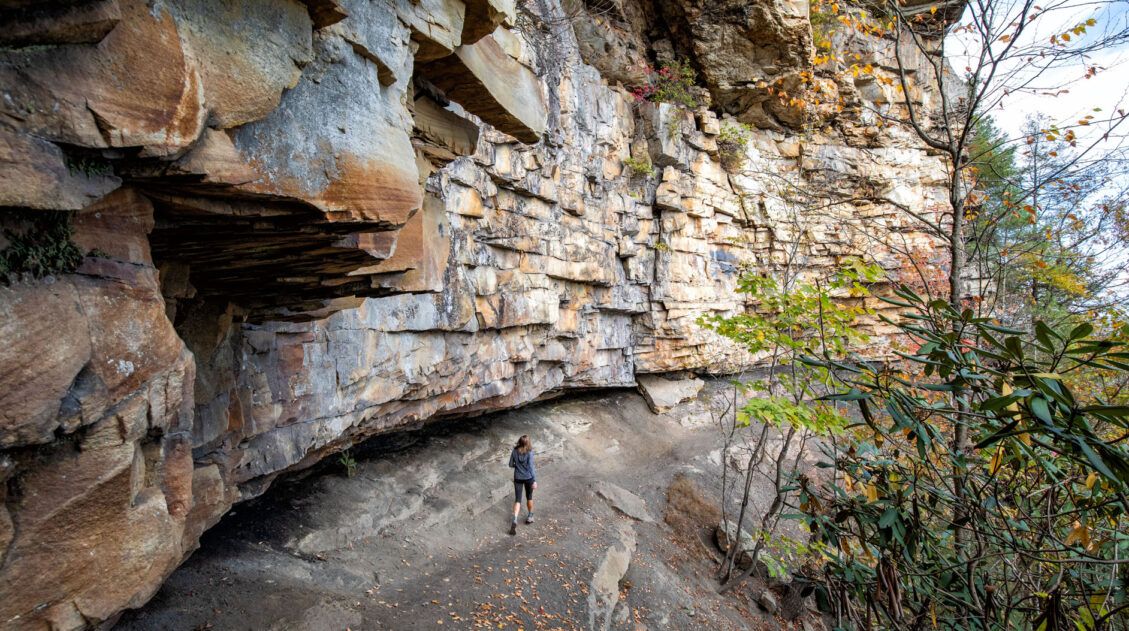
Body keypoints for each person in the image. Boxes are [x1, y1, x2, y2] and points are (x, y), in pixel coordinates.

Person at [508, 435, 536, 535]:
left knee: (518, 499)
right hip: (528, 477)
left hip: (518, 478)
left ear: (519, 441)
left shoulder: (514, 451)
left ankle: (515, 519)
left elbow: (511, 464)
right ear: (528, 443)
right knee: (529, 497)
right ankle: (530, 516)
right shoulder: (530, 452)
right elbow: (531, 467)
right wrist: (534, 480)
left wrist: (518, 466)